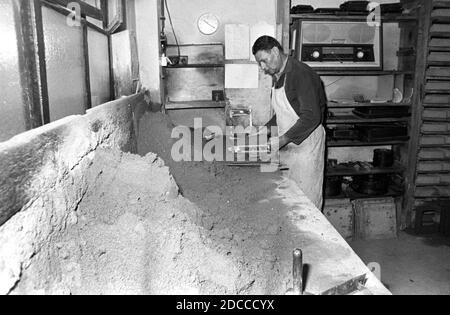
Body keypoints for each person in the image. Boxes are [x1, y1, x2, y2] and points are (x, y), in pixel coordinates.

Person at [252, 36, 327, 209]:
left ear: (276, 52)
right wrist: (266, 130)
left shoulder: (300, 74)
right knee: (288, 203)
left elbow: (311, 117)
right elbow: (283, 113)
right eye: (259, 64)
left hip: (306, 149)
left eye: (264, 61)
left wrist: (283, 139)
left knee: (306, 204)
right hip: (289, 147)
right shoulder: (278, 75)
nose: (263, 68)